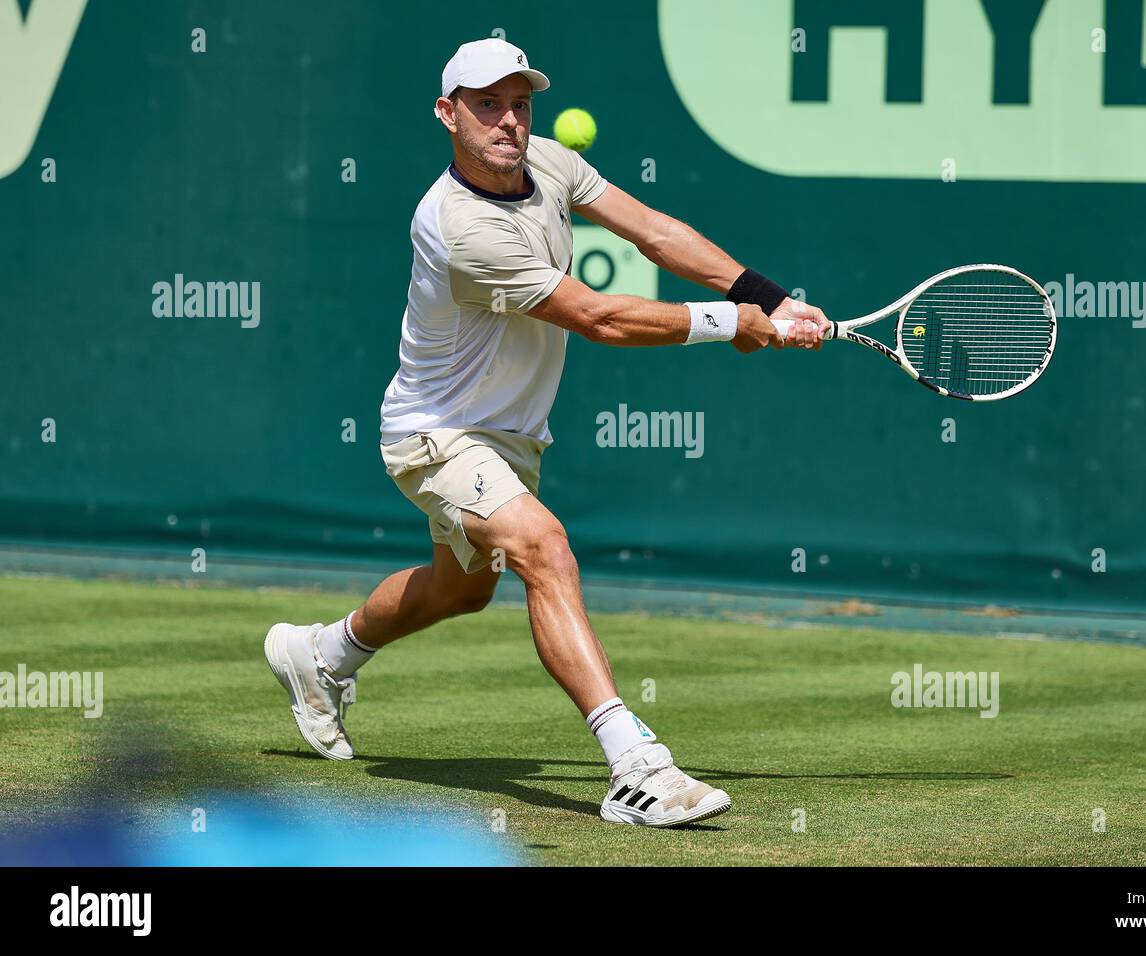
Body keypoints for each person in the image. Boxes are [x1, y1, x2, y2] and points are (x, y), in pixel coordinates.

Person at [265, 37, 830, 827]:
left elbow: (655, 232)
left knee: (460, 590)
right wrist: (729, 321)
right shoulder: (460, 228)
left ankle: (320, 655)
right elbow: (596, 315)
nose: (508, 121)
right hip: (437, 436)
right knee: (544, 547)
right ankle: (636, 767)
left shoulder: (554, 164)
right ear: (447, 113)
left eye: (519, 103)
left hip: (510, 439)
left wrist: (768, 298)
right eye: (486, 104)